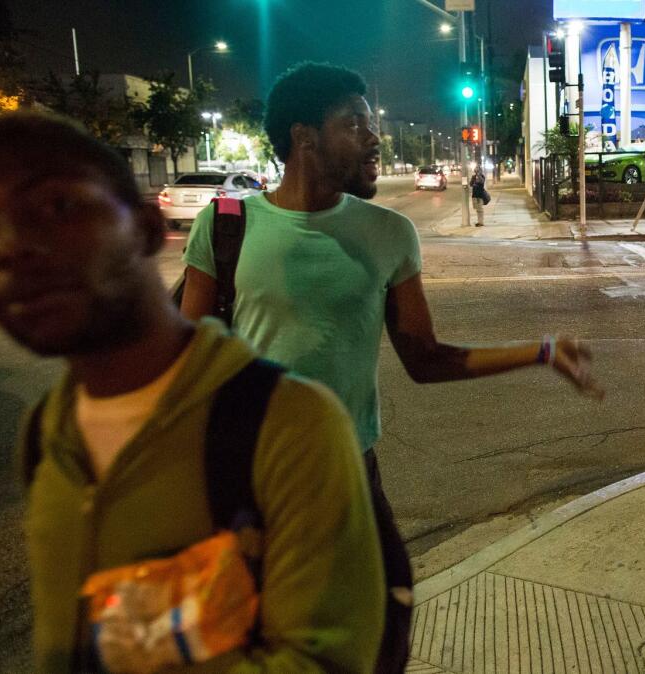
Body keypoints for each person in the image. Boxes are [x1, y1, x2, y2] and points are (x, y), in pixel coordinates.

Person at [180, 62, 602, 673]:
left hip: (351, 475)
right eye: (355, 124)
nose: (374, 139)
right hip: (244, 484)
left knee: (381, 632)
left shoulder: (390, 233)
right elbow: (184, 366)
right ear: (304, 137)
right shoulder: (225, 227)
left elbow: (424, 359)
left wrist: (539, 351)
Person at [0, 111, 385, 673]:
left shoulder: (286, 424)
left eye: (57, 207)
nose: (12, 249)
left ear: (146, 230)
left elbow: (329, 659)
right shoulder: (44, 436)